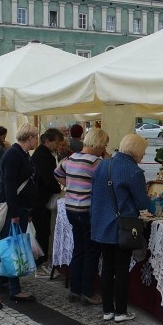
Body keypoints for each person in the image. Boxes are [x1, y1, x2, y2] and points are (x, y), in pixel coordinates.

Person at [91, 134, 150, 323]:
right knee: (122, 268)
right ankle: (121, 312)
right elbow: (143, 203)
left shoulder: (103, 164)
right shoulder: (133, 171)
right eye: (143, 152)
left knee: (107, 267)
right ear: (136, 150)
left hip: (102, 225)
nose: (143, 155)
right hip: (122, 226)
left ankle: (107, 310)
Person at [54, 128, 110, 306]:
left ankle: (74, 290)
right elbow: (109, 180)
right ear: (99, 144)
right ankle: (87, 291)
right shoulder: (96, 162)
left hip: (71, 208)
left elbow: (57, 173)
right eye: (104, 145)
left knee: (78, 250)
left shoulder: (71, 158)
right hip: (87, 210)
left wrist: (70, 186)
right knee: (91, 252)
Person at [0, 123, 39, 310]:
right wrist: (15, 213)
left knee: (15, 248)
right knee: (6, 250)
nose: (37, 140)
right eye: (36, 137)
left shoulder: (23, 154)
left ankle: (14, 288)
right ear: (30, 138)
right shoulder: (13, 154)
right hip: (14, 211)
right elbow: (9, 185)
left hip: (22, 209)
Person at [31, 128, 64, 277]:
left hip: (38, 197)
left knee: (43, 231)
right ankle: (40, 264)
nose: (57, 146)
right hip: (40, 198)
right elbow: (48, 178)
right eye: (56, 143)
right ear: (47, 141)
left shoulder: (41, 153)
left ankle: (40, 261)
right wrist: (58, 188)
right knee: (43, 232)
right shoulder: (44, 156)